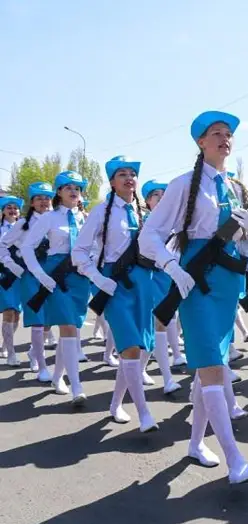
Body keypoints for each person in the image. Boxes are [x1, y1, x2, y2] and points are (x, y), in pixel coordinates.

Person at [140, 110, 248, 483]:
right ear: (200, 142)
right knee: (210, 365)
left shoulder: (235, 187)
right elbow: (149, 235)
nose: (225, 138)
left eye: (228, 134)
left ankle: (195, 444)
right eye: (217, 133)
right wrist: (171, 267)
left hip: (227, 284)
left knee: (217, 364)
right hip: (197, 282)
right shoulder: (184, 184)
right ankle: (235, 461)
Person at [72, 156, 161, 431]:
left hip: (143, 285)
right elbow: (79, 252)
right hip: (116, 286)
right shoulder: (101, 212)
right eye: (122, 174)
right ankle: (144, 414)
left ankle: (115, 404)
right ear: (112, 182)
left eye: (132, 173)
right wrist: (100, 280)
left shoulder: (144, 213)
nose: (128, 178)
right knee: (130, 346)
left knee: (136, 349)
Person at [21, 171, 90, 405]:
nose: (74, 191)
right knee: (68, 327)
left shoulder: (85, 218)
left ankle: (58, 376)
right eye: (68, 187)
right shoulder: (49, 218)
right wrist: (40, 275)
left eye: (77, 188)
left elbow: (96, 246)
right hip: (56, 276)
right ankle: (77, 387)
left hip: (79, 277)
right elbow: (27, 248)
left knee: (70, 328)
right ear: (59, 192)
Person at [0, 183, 55, 380]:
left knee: (49, 320)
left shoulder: (57, 220)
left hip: (52, 274)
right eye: (39, 198)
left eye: (47, 197)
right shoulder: (23, 223)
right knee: (37, 321)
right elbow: (3, 244)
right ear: (32, 202)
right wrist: (8, 262)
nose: (44, 201)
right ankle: (40, 364)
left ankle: (34, 351)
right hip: (30, 275)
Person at [142, 179, 185, 369]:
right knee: (158, 320)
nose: (161, 198)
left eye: (163, 194)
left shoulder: (174, 222)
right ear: (147, 201)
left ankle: (176, 354)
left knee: (172, 316)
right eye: (156, 195)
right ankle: (150, 364)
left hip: (170, 275)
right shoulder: (144, 223)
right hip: (152, 275)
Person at [0, 196, 23, 366]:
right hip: (4, 274)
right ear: (3, 211)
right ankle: (11, 352)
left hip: (21, 276)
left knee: (16, 314)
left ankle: (5, 344)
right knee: (8, 311)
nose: (12, 210)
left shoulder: (25, 228)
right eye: (9, 207)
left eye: (15, 208)